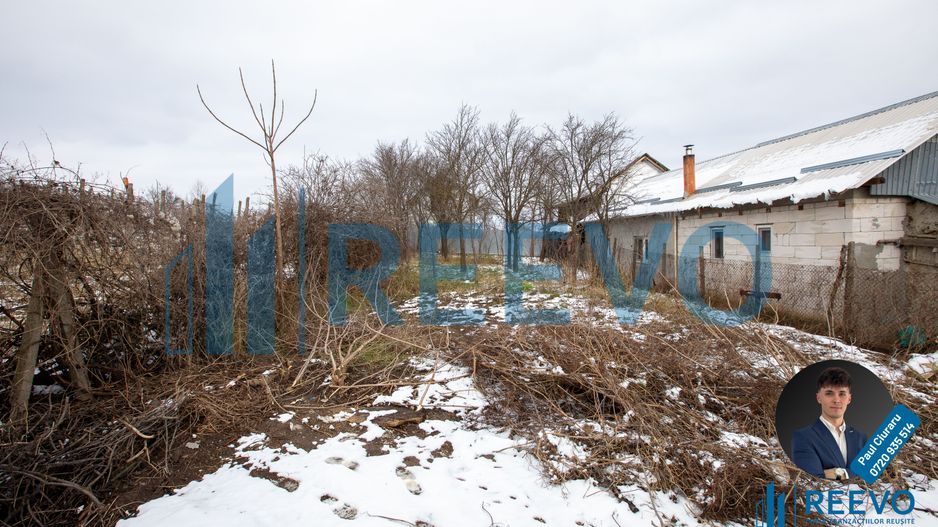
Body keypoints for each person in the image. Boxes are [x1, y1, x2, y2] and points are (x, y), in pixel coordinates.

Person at [791, 367, 868, 480]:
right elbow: (813, 478)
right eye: (829, 393)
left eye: (842, 394)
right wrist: (853, 473)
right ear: (818, 398)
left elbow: (870, 474)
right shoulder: (803, 437)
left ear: (849, 399)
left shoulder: (861, 437)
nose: (836, 400)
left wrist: (839, 473)